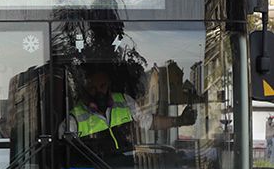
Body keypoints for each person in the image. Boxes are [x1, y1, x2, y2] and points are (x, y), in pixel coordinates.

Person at [61, 65, 196, 157]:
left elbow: (149, 122)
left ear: (109, 85)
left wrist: (179, 121)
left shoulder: (124, 102)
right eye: (92, 88)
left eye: (102, 86)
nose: (99, 92)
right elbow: (66, 155)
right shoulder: (73, 120)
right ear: (84, 90)